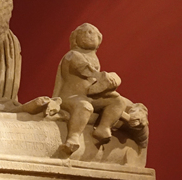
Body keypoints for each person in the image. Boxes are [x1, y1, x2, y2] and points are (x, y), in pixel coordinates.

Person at [54, 23, 130, 154]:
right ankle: (73, 137)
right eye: (83, 33)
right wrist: (105, 77)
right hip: (70, 97)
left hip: (89, 96)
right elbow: (87, 71)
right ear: (75, 39)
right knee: (85, 107)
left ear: (99, 39)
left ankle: (103, 128)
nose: (87, 35)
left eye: (91, 32)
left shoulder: (94, 58)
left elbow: (93, 83)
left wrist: (108, 84)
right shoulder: (72, 55)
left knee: (118, 101)